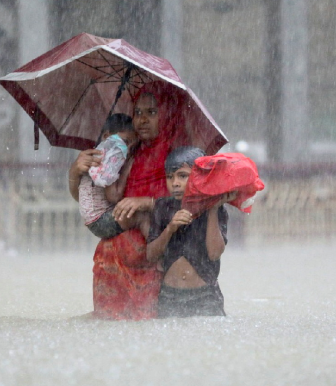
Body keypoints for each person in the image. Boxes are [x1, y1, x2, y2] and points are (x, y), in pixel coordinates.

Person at [69, 81, 190, 320]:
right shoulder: (123, 151)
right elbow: (90, 200)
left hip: (153, 262)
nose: (143, 119)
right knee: (109, 334)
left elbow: (189, 202)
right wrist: (75, 172)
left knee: (149, 332)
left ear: (166, 115)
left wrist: (148, 202)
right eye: (137, 113)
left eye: (152, 113)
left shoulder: (177, 155)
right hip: (111, 261)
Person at [146, 147, 236, 317]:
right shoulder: (162, 207)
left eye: (182, 176)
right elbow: (151, 255)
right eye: (169, 177)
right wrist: (170, 228)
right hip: (169, 296)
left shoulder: (216, 208)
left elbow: (215, 253)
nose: (175, 183)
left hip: (205, 297)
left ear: (199, 177)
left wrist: (213, 209)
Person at [78, 113, 148, 238]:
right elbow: (114, 196)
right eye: (126, 142)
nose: (129, 148)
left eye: (133, 144)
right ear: (106, 136)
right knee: (143, 217)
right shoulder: (109, 158)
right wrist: (128, 167)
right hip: (101, 220)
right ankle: (156, 251)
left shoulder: (99, 152)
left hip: (93, 219)